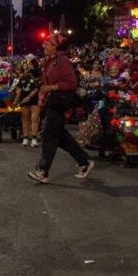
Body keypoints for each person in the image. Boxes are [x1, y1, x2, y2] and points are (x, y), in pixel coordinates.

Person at [28, 35, 94, 184]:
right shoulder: (50, 61)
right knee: (60, 136)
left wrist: (52, 87)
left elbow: (71, 83)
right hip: (52, 100)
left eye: (48, 44)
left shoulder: (62, 61)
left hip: (59, 101)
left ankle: (43, 171)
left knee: (48, 135)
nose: (44, 45)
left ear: (56, 47)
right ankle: (84, 162)